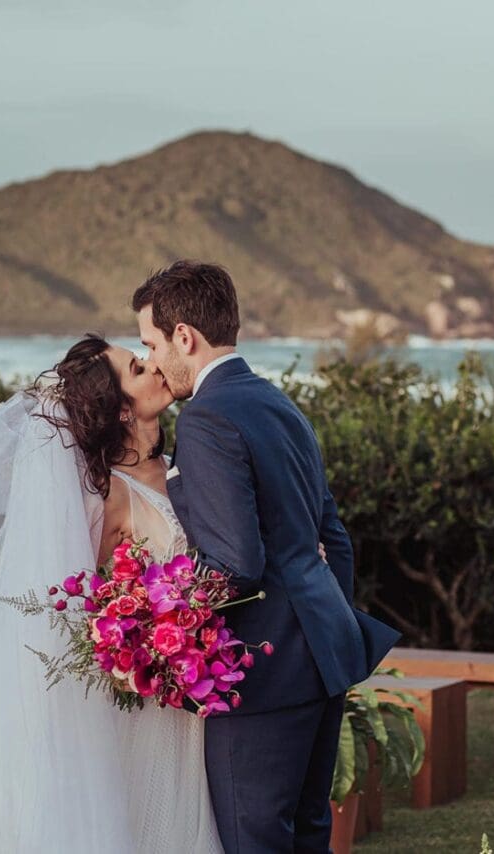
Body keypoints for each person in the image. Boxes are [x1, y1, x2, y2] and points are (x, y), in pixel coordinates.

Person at [134, 260, 401, 853]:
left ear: (185, 336)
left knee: (253, 839)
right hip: (325, 652)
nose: (150, 359)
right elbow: (333, 536)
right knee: (308, 833)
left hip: (260, 672)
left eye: (151, 342)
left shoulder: (206, 418)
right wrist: (327, 618)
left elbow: (233, 564)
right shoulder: (277, 403)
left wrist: (154, 620)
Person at [0, 334, 224, 853]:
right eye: (138, 368)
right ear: (123, 411)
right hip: (150, 702)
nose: (155, 367)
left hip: (197, 690)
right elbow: (75, 605)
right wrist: (141, 641)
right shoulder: (106, 494)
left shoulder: (185, 462)